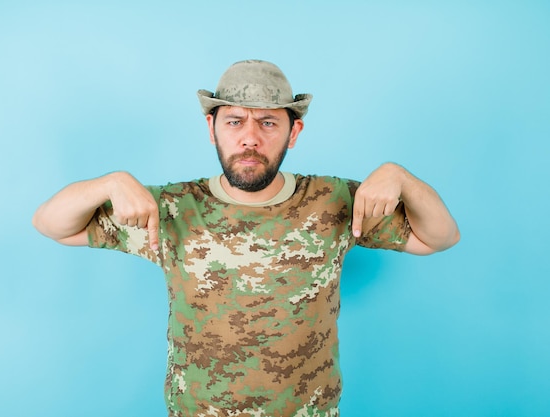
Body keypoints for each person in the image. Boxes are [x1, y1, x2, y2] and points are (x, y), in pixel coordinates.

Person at [33, 59, 460, 417]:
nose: (250, 137)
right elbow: (52, 224)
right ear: (211, 127)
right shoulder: (170, 208)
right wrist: (109, 182)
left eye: (268, 123)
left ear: (293, 133)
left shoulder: (336, 201)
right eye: (234, 120)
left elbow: (439, 237)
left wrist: (401, 178)